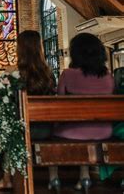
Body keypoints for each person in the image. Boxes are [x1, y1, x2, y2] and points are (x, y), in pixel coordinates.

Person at [0, 30, 56, 191]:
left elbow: (5, 104)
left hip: (25, 129)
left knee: (12, 128)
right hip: (47, 127)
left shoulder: (14, 74)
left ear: (19, 49)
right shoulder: (49, 74)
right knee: (14, 127)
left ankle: (3, 172)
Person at [51, 33, 114, 193]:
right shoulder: (108, 77)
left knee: (50, 133)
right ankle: (84, 177)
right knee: (85, 128)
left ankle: (54, 178)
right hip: (104, 131)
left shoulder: (67, 74)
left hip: (74, 131)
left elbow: (59, 103)